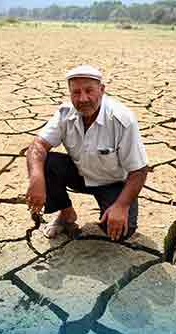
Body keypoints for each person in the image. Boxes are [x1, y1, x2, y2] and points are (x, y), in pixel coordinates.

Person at [25, 64, 149, 242]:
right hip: (80, 174)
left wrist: (121, 206)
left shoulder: (122, 119)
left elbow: (139, 171)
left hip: (113, 183)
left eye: (89, 91)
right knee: (45, 162)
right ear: (70, 94)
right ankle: (66, 214)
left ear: (102, 90)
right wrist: (36, 179)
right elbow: (38, 145)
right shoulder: (65, 114)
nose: (83, 98)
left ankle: (112, 209)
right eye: (76, 92)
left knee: (122, 231)